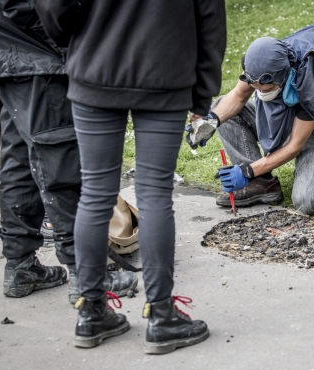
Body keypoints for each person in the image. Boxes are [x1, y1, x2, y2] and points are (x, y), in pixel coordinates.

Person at [36, 0, 226, 352]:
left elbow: (54, 8)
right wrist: (203, 91)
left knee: (95, 192)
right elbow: (210, 17)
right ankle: (161, 315)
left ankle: (91, 311)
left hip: (95, 66)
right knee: (154, 194)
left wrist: (74, 41)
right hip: (165, 70)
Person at [0, 0, 137, 304]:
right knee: (59, 155)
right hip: (33, 45)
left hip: (4, 41)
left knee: (20, 156)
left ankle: (20, 265)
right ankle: (87, 274)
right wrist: (69, 40)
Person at [188, 24, 314, 215]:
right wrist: (209, 121)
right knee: (222, 107)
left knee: (307, 201)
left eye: (267, 89)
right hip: (292, 120)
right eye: (256, 87)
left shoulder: (311, 80)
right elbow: (237, 96)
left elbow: (295, 145)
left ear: (284, 76)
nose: (260, 92)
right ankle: (260, 184)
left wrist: (247, 171)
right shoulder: (259, 65)